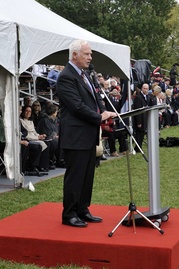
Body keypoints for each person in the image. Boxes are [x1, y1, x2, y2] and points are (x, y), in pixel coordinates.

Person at [56, 39, 116, 228]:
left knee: (87, 174)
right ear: (74, 55)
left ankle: (82, 208)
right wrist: (99, 117)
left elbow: (95, 98)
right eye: (87, 54)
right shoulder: (66, 77)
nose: (90, 57)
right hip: (75, 135)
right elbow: (77, 106)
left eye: (90, 54)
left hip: (88, 133)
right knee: (76, 175)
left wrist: (104, 110)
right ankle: (69, 213)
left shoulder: (85, 75)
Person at [133, 83, 149, 152]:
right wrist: (138, 122)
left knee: (142, 134)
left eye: (146, 89)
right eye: (144, 88)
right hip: (140, 119)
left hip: (144, 118)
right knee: (139, 134)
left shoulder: (146, 96)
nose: (145, 90)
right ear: (142, 88)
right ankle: (138, 147)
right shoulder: (138, 97)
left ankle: (139, 147)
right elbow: (137, 110)